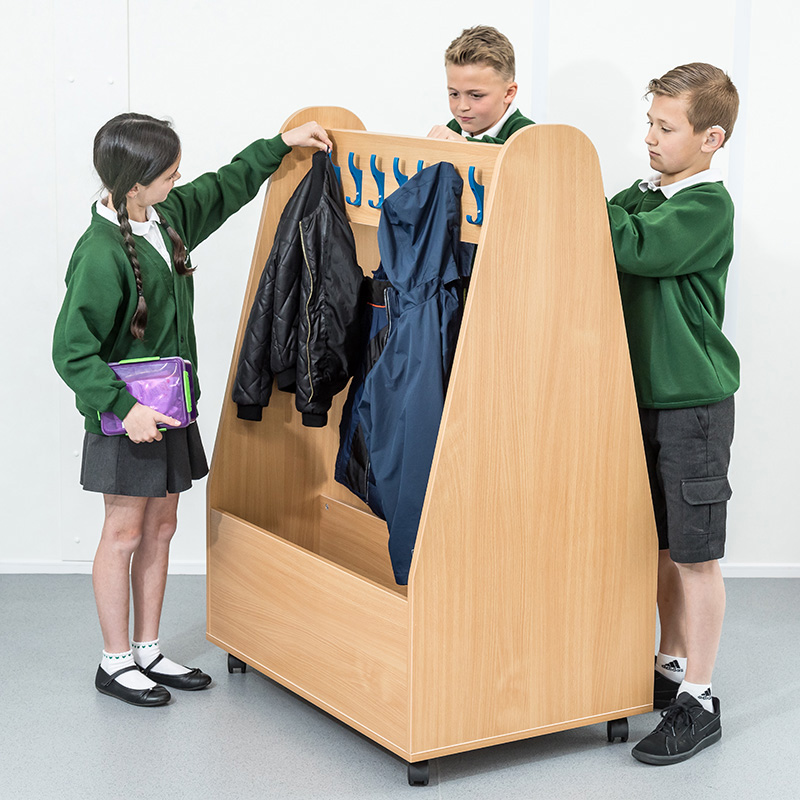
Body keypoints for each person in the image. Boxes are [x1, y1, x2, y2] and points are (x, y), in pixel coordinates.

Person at [52, 112, 332, 707]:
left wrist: (280, 144)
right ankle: (114, 660)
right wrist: (125, 409)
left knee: (162, 527)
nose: (180, 181)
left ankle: (148, 649)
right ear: (134, 184)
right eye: (170, 175)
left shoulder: (168, 218)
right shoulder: (100, 255)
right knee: (124, 531)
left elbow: (228, 184)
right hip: (126, 419)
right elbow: (71, 352)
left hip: (172, 408)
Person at [606, 63, 740, 764]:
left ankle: (703, 698)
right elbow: (617, 219)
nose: (651, 138)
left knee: (695, 555)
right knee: (658, 547)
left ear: (711, 137)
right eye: (650, 123)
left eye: (667, 127)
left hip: (694, 404)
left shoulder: (704, 205)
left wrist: (587, 199)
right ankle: (670, 667)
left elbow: (634, 246)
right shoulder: (647, 193)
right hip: (647, 400)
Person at [427, 25, 535, 144]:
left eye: (476, 95)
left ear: (508, 93)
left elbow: (508, 153)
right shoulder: (453, 128)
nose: (462, 107)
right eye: (454, 94)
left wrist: (465, 145)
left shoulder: (529, 135)